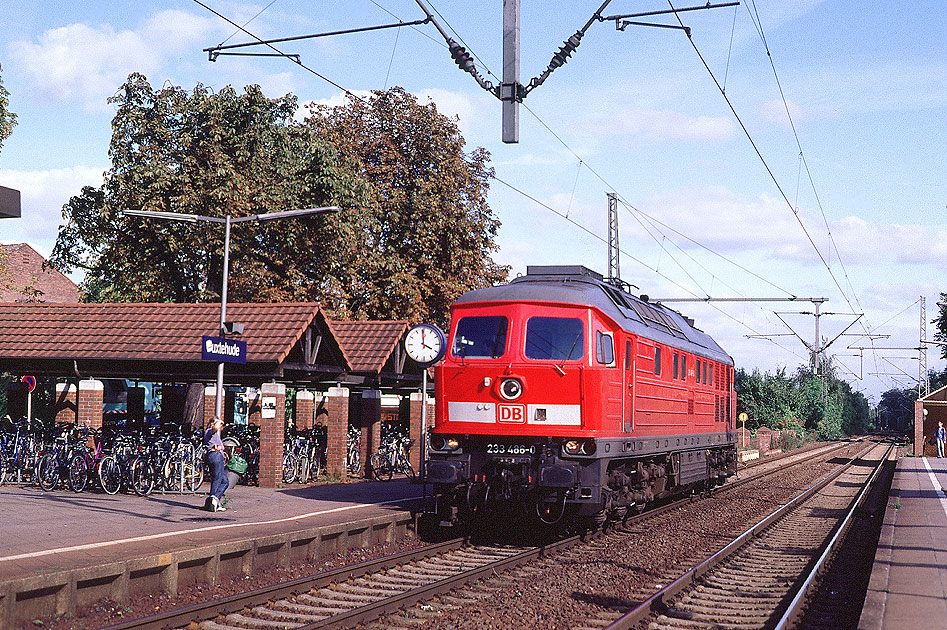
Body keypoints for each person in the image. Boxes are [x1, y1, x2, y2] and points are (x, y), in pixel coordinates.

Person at [203, 416, 229, 511]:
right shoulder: (210, 431)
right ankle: (213, 500)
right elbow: (214, 428)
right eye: (218, 423)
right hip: (215, 456)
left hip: (216, 456)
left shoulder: (213, 434)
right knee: (217, 479)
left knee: (225, 481)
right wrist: (219, 422)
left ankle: (213, 501)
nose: (221, 425)